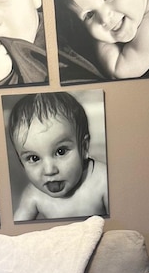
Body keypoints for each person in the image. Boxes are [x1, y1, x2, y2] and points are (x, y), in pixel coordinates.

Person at [7, 92, 108, 222]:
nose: (49, 170)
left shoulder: (101, 180)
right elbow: (15, 235)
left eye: (60, 151)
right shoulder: (33, 196)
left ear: (84, 148)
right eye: (34, 158)